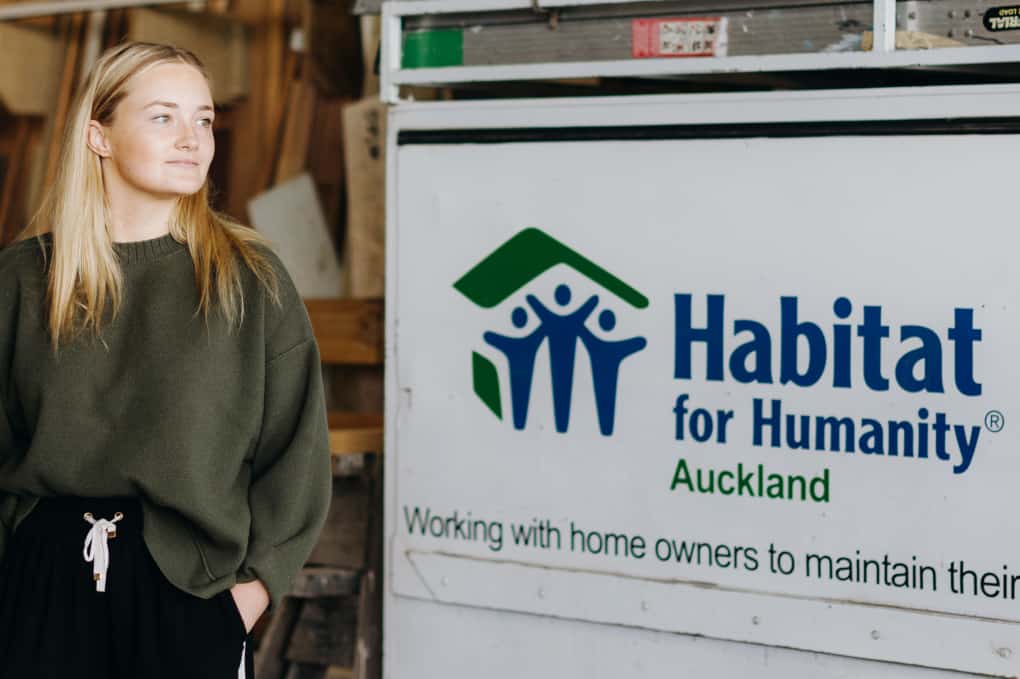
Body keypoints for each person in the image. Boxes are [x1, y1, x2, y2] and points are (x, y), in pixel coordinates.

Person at [0, 42, 332, 678]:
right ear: (98, 136)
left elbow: (297, 454)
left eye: (203, 119)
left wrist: (251, 593)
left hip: (191, 591)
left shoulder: (248, 279)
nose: (192, 139)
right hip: (40, 586)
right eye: (163, 117)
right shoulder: (21, 281)